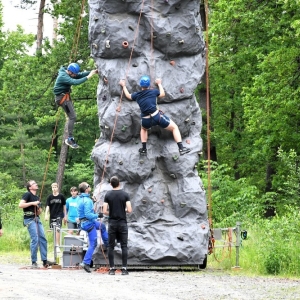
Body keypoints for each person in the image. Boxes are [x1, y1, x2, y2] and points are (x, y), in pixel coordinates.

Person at [119, 76, 191, 156]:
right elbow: (162, 94)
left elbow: (128, 96)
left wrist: (123, 85)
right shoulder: (153, 92)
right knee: (174, 128)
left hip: (146, 120)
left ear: (140, 85)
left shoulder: (137, 95)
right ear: (149, 85)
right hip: (157, 117)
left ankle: (143, 149)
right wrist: (159, 84)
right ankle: (181, 148)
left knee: (143, 129)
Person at [53, 63, 99, 149]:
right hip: (62, 98)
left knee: (72, 116)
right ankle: (69, 139)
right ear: (69, 72)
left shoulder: (70, 73)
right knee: (72, 117)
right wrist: (89, 76)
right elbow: (74, 82)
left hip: (65, 96)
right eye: (73, 74)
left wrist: (93, 71)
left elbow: (79, 75)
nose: (74, 76)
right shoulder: (63, 76)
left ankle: (70, 138)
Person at [18, 180, 52, 268]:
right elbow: (21, 205)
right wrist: (33, 203)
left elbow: (39, 212)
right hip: (29, 219)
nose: (36, 184)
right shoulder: (27, 194)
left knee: (43, 238)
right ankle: (34, 262)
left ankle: (44, 260)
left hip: (37, 218)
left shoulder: (37, 197)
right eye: (33, 183)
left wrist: (39, 209)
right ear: (30, 187)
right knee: (35, 239)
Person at [103, 176, 132, 275]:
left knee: (111, 246)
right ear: (119, 183)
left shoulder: (108, 195)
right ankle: (124, 269)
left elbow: (104, 211)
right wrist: (122, 210)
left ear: (111, 184)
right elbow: (129, 209)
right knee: (124, 246)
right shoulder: (125, 194)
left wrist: (112, 212)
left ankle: (112, 269)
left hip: (112, 223)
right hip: (122, 223)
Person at [77, 182, 109, 273]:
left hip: (86, 222)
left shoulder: (81, 199)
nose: (90, 187)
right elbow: (88, 214)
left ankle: (108, 244)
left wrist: (93, 202)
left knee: (101, 226)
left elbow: (85, 210)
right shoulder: (87, 200)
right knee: (93, 243)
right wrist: (97, 215)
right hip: (88, 223)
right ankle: (85, 262)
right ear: (86, 189)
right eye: (88, 186)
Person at [45, 182, 67, 253]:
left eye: (55, 187)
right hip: (52, 215)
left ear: (57, 188)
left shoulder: (61, 196)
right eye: (53, 187)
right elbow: (47, 206)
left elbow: (64, 206)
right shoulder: (49, 197)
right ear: (51, 188)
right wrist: (46, 214)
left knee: (58, 229)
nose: (54, 189)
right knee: (53, 230)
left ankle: (57, 246)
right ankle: (55, 245)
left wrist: (65, 216)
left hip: (59, 215)